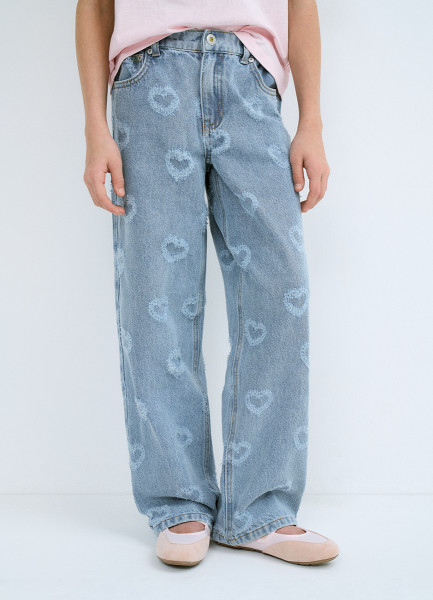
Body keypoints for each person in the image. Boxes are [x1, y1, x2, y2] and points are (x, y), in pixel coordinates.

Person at [76, 0, 339, 567]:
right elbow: (95, 6)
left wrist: (311, 121)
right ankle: (179, 502)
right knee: (156, 297)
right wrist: (96, 127)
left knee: (280, 293)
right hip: (149, 77)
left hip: (252, 80)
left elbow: (301, 5)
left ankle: (260, 508)